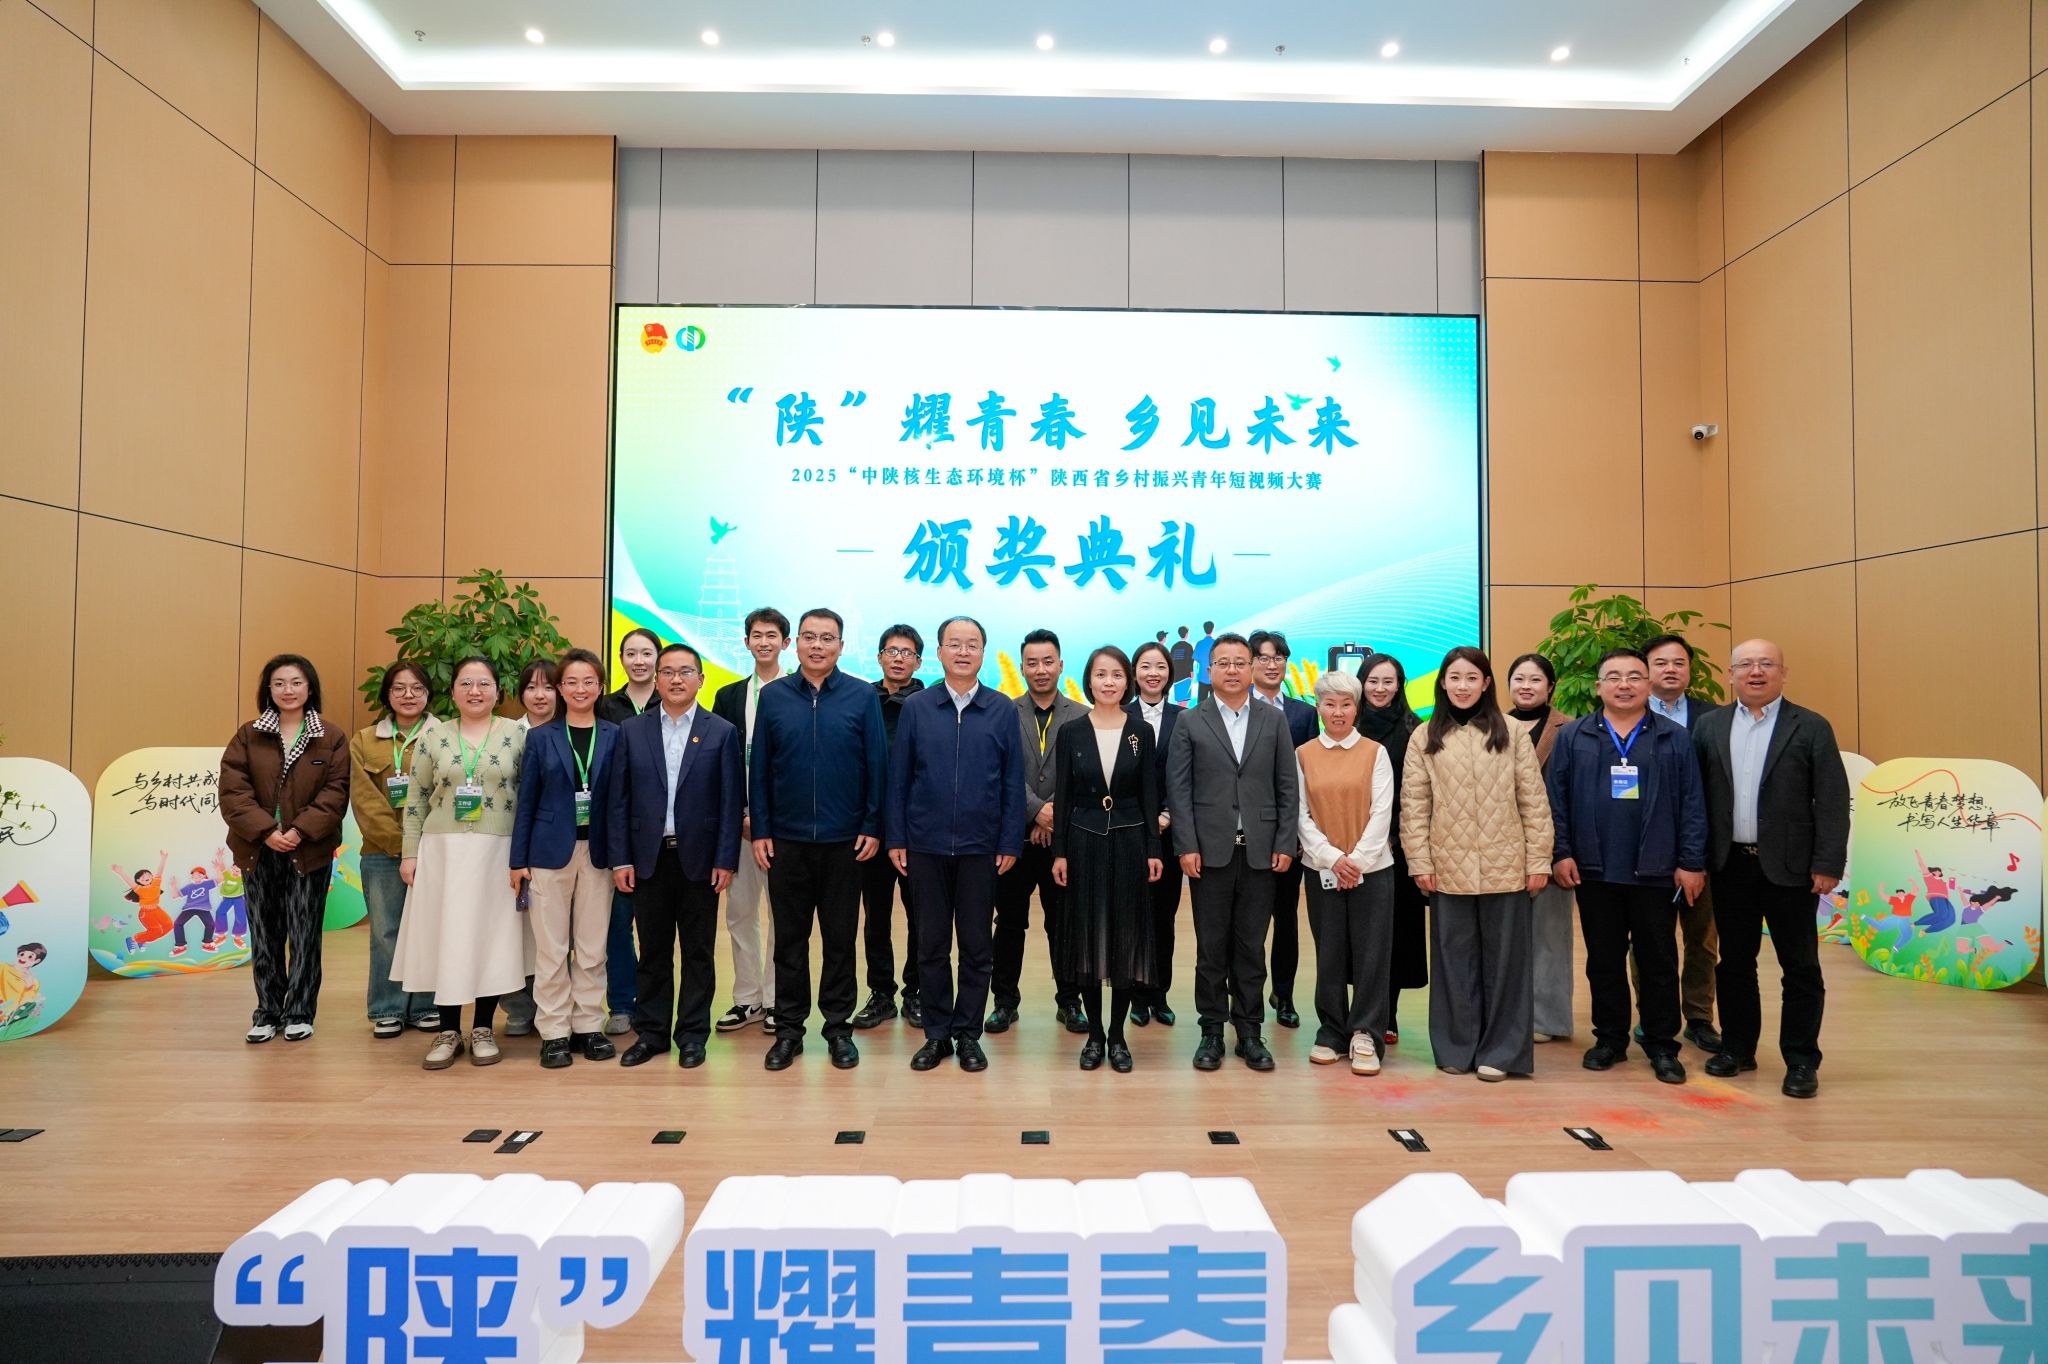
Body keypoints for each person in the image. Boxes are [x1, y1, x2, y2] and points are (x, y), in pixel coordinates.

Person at [1692, 639, 1848, 1100]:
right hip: (1730, 865)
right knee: (1734, 963)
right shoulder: (1710, 726)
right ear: (1730, 674)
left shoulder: (1811, 726)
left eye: (1766, 664)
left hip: (1792, 869)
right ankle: (1737, 1048)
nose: (1755, 672)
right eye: (1745, 664)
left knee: (1800, 967)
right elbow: (1695, 797)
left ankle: (1801, 1060)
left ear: (1783, 672)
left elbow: (1832, 800)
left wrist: (1828, 864)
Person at [1548, 647, 1708, 1085]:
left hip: (1656, 870)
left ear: (1648, 684)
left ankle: (1662, 1045)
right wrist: (1561, 852)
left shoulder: (1674, 737)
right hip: (1594, 869)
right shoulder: (1574, 736)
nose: (1624, 685)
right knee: (1603, 961)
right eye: (1614, 677)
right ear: (1599, 686)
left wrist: (1691, 862)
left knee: (1659, 961)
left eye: (1634, 676)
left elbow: (1693, 803)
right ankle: (1610, 1039)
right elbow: (1555, 801)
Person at [1400, 647, 1552, 1081]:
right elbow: (1414, 807)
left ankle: (1501, 1053)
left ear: (1486, 683)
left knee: (1506, 965)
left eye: (1472, 678)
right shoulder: (1424, 736)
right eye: (1454, 677)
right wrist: (1419, 861)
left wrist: (1539, 859)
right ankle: (1456, 1047)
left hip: (1508, 866)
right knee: (1453, 962)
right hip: (1447, 867)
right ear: (1442, 683)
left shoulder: (1512, 732)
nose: (1462, 686)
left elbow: (1533, 802)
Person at [751, 608, 889, 1071]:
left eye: (827, 638)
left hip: (845, 842)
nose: (817, 645)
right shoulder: (774, 697)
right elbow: (760, 768)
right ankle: (789, 1031)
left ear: (841, 647)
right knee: (789, 942)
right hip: (785, 842)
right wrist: (762, 829)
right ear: (796, 644)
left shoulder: (861, 696)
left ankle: (837, 1030)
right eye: (809, 637)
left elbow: (877, 765)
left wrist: (872, 825)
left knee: (839, 940)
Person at [885, 616, 1025, 1073]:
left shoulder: (1001, 709)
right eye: (954, 644)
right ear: (940, 652)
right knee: (930, 945)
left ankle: (968, 1033)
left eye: (972, 644)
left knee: (977, 947)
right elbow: (899, 778)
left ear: (983, 652)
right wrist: (897, 837)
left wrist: (1010, 841)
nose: (963, 652)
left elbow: (1012, 782)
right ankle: (936, 1034)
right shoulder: (918, 707)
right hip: (924, 846)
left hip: (981, 848)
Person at [1165, 632, 1298, 1072]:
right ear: (1209, 671)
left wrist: (1285, 841)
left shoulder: (1273, 720)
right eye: (1223, 663)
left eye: (1241, 662)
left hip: (1261, 850)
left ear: (1253, 667)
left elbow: (1287, 785)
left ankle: (1250, 1032)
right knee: (1211, 947)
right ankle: (1211, 1031)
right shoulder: (1191, 720)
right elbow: (1179, 790)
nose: (1233, 670)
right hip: (1209, 853)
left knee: (1251, 946)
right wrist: (1186, 845)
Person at [606, 642, 744, 1068]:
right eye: (667, 672)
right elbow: (618, 800)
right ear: (656, 679)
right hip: (648, 859)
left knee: (698, 952)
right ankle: (652, 1034)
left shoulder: (721, 731)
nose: (676, 679)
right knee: (653, 951)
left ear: (701, 679)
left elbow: (730, 802)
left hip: (700, 860)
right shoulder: (633, 730)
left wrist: (726, 859)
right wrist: (621, 858)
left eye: (685, 672)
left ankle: (692, 1035)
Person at [391, 657, 532, 1070]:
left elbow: (529, 797)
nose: (475, 691)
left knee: (492, 937)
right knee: (447, 937)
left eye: (484, 683)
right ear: (452, 691)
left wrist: (525, 855)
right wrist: (410, 852)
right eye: (466, 683)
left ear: (498, 691)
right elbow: (416, 798)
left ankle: (484, 1027)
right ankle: (448, 1031)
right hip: (443, 853)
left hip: (499, 851)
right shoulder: (432, 737)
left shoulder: (518, 735)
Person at [219, 654, 352, 1043]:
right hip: (258, 849)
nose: (287, 690)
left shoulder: (331, 736)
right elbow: (233, 791)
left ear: (310, 688)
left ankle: (299, 1012)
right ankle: (267, 1012)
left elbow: (336, 793)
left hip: (308, 851)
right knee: (265, 934)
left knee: (305, 934)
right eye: (279, 683)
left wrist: (298, 831)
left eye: (296, 682)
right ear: (268, 689)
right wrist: (265, 831)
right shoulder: (248, 735)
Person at [1051, 646, 1162, 1072]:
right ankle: (1094, 1035)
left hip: (1131, 841)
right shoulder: (1072, 731)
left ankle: (1117, 1036)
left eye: (1116, 674)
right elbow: (1064, 798)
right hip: (1084, 841)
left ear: (1127, 681)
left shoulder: (1140, 732)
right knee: (1089, 937)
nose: (1109, 682)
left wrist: (1153, 848)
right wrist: (1059, 850)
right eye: (1101, 674)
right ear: (1089, 681)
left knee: (1125, 938)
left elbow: (1149, 794)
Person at [510, 650, 620, 1069]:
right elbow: (526, 801)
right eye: (571, 682)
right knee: (551, 949)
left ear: (600, 687)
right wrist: (518, 860)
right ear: (560, 688)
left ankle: (588, 1025)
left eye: (588, 681)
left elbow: (621, 801)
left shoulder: (615, 735)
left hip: (599, 853)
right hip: (547, 854)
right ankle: (554, 1031)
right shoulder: (541, 737)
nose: (580, 689)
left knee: (592, 947)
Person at [1295, 669, 1396, 1074]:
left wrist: (1356, 862)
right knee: (1330, 951)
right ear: (1318, 708)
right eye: (1329, 704)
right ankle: (1333, 1031)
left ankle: (1366, 1033)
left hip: (1372, 870)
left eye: (1346, 704)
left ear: (1357, 708)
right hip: (1322, 869)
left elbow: (1382, 812)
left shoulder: (1375, 752)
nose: (1337, 712)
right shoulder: (1303, 754)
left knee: (1372, 954)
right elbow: (1300, 814)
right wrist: (1332, 858)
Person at [989, 629, 1089, 1035]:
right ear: (1022, 667)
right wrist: (1035, 813)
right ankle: (1004, 1003)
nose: (1041, 669)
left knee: (1064, 924)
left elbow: (1087, 776)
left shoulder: (1082, 715)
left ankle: (1070, 1001)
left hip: (1064, 842)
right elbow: (999, 771)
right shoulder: (1003, 712)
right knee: (1009, 923)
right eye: (1032, 662)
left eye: (1048, 661)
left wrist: (1053, 816)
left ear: (1061, 665)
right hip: (1014, 839)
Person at [347, 661, 440, 1038]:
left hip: (435, 852)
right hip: (381, 852)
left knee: (430, 928)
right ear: (387, 694)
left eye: (417, 688)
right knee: (386, 931)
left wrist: (423, 845)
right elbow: (364, 801)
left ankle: (426, 1005)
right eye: (399, 688)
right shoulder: (364, 740)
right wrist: (402, 846)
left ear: (428, 694)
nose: (408, 695)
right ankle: (387, 1007)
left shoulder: (445, 736)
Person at [1641, 633, 1722, 1053]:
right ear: (1645, 671)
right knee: (1648, 940)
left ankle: (1700, 1017)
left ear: (1690, 669)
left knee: (1702, 940)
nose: (1670, 669)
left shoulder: (1715, 719)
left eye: (1678, 662)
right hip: (1646, 850)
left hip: (1702, 849)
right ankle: (1652, 1016)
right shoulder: (1627, 717)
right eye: (1660, 663)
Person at [708, 608, 788, 1034]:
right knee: (740, 913)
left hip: (784, 827)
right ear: (746, 642)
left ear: (785, 643)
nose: (764, 642)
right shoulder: (729, 695)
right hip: (739, 824)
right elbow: (720, 762)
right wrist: (741, 813)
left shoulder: (798, 693)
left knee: (782, 915)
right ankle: (747, 999)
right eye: (757, 635)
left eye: (772, 635)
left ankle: (776, 1000)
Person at [855, 623, 926, 1029]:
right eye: (891, 651)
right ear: (879, 656)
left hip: (917, 831)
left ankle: (916, 991)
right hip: (871, 829)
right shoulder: (862, 699)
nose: (898, 658)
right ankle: (881, 992)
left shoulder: (930, 703)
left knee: (922, 917)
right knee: (875, 916)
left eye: (907, 652)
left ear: (919, 661)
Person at [594, 626, 663, 1036]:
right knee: (617, 924)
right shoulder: (604, 706)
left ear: (658, 659)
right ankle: (622, 1002)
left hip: (662, 831)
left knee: (656, 927)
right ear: (620, 659)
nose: (639, 661)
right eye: (631, 653)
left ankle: (654, 1004)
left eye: (646, 653)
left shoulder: (674, 701)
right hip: (616, 827)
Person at [1356, 653, 1427, 1046]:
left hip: (1398, 849)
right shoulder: (1347, 725)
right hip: (1352, 847)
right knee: (1357, 932)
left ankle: (1388, 1013)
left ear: (1400, 685)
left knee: (1396, 934)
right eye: (1373, 681)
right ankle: (1360, 1011)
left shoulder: (1416, 730)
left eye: (1388, 681)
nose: (1380, 689)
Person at [1249, 630, 1319, 1030]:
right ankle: (1246, 996)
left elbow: (1309, 779)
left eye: (1279, 658)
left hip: (1287, 833)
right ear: (1251, 663)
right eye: (1264, 657)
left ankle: (1285, 994)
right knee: (1247, 922)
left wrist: (1301, 833)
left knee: (1286, 918)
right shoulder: (1234, 708)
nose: (1272, 664)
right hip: (1244, 833)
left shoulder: (1303, 714)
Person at [1507, 652, 1576, 1044]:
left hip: (1551, 845)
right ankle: (1510, 1014)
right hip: (1503, 847)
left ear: (1550, 687)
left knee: (1550, 936)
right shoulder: (1495, 725)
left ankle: (1547, 1019)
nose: (1526, 686)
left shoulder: (1570, 729)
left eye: (1535, 680)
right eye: (1519, 679)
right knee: (1508, 938)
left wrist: (1563, 849)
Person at [1126, 640, 1185, 1026]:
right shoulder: (1120, 715)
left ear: (1169, 673)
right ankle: (1135, 995)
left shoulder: (1186, 718)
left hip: (1169, 834)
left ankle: (1160, 993)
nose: (1153, 673)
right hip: (1128, 833)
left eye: (1160, 667)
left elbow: (1190, 776)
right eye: (1145, 666)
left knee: (1164, 917)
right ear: (1134, 673)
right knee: (1132, 918)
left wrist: (1167, 816)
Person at [497, 659, 557, 1036]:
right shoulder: (506, 735)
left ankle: (554, 1005)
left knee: (551, 934)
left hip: (554, 846)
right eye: (532, 687)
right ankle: (518, 1006)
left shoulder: (572, 731)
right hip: (510, 843)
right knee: (513, 929)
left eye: (548, 687)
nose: (540, 695)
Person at [1169, 627, 1195, 705]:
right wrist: (1192, 673)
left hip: (1176, 677)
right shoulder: (1188, 646)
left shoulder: (1174, 647)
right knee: (1185, 701)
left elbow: (1171, 661)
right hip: (1185, 676)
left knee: (1179, 700)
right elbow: (1190, 661)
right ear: (1186, 634)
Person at [1193, 621, 1216, 701]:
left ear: (1204, 629)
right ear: (1212, 629)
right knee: (1215, 704)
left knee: (1201, 703)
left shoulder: (1199, 644)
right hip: (1214, 677)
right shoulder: (1216, 643)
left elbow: (1196, 658)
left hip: (1202, 677)